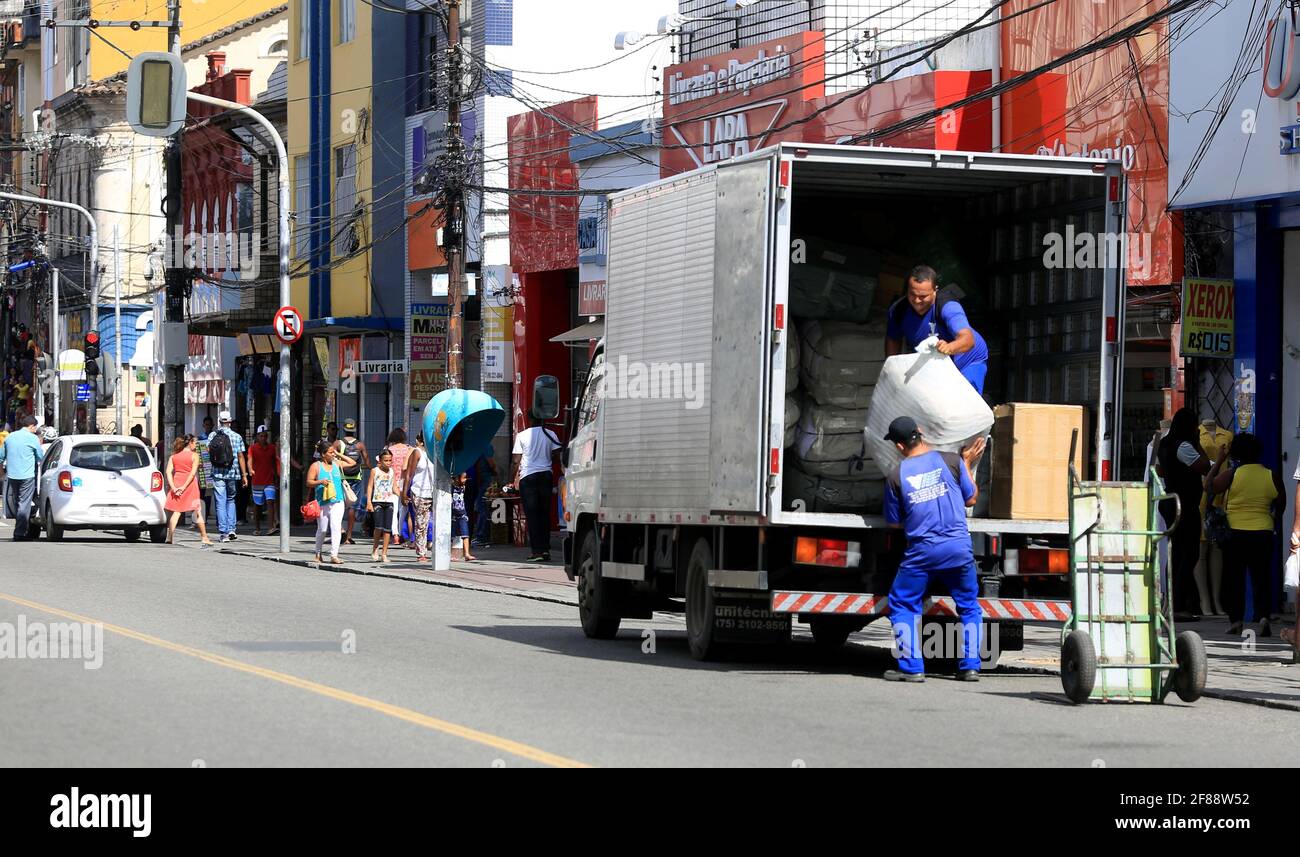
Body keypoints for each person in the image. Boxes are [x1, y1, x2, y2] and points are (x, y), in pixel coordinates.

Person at [881, 416, 986, 682]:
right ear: (920, 433)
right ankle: (970, 667)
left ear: (900, 447)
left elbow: (893, 523)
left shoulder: (897, 475)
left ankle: (912, 668)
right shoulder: (951, 461)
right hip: (959, 549)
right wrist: (967, 462)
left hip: (922, 554)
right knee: (969, 606)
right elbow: (971, 497)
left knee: (903, 603)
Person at [1206, 434, 1284, 636]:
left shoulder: (1232, 474)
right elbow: (1280, 504)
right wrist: (1270, 519)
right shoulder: (1271, 475)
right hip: (1263, 532)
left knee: (1234, 579)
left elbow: (1208, 486)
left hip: (1235, 533)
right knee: (1262, 577)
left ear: (1236, 453)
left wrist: (1220, 461)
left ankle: (1236, 621)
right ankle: (1264, 617)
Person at [885, 265, 990, 395]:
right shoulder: (898, 310)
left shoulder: (948, 306)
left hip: (968, 359)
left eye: (923, 296)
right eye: (912, 294)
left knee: (965, 402)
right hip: (932, 363)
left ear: (935, 290)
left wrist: (949, 347)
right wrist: (893, 371)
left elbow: (968, 340)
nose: (917, 301)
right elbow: (893, 339)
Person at [1155, 408, 1211, 622]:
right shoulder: (1184, 446)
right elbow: (1204, 467)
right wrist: (1198, 444)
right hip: (1185, 503)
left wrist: (1173, 471)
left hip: (1170, 501)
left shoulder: (1165, 443)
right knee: (1189, 554)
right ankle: (1178, 605)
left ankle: (1173, 602)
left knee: (1177, 554)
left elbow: (1159, 470)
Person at [511, 416, 562, 562]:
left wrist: (511, 480)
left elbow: (516, 461)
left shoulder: (522, 435)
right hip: (546, 476)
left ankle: (536, 551)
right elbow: (558, 455)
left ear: (529, 420)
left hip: (528, 477)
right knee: (544, 514)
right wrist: (548, 458)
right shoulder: (551, 434)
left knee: (532, 515)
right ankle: (545, 549)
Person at [306, 439, 355, 564]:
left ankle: (334, 555)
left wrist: (338, 454)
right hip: (323, 502)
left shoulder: (337, 463)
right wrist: (320, 482)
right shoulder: (316, 466)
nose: (333, 454)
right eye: (330, 452)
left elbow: (352, 462)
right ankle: (318, 553)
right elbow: (309, 482)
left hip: (338, 501)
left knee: (336, 527)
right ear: (323, 454)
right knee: (322, 529)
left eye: (333, 452)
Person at [0, 415, 44, 540]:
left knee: (17, 501)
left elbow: (1, 456)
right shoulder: (32, 438)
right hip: (27, 476)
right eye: (35, 427)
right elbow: (40, 456)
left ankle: (21, 528)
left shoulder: (10, 437)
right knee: (24, 503)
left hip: (12, 475)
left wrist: (2, 473)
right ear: (31, 426)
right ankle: (19, 532)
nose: (36, 429)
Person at [208, 411, 248, 543]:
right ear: (230, 422)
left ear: (219, 421)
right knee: (231, 499)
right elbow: (241, 456)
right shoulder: (237, 436)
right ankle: (231, 529)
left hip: (217, 472)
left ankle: (224, 533)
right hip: (232, 472)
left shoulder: (213, 435)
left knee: (220, 502)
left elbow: (208, 452)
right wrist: (244, 475)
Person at [164, 435, 212, 546]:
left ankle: (169, 537)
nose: (196, 445)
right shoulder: (194, 456)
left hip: (177, 482)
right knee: (197, 511)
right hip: (190, 485)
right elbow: (192, 473)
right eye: (195, 443)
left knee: (176, 512)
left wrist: (174, 487)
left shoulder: (174, 456)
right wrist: (184, 487)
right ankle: (204, 537)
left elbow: (168, 472)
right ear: (190, 443)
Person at [336, 418, 369, 546]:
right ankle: (349, 536)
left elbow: (332, 456)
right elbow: (367, 461)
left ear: (344, 429)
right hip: (356, 478)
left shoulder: (338, 443)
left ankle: (340, 531)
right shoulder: (360, 445)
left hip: (342, 477)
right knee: (352, 507)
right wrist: (367, 467)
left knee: (338, 505)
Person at [403, 434, 437, 562]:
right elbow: (409, 474)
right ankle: (421, 553)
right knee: (421, 523)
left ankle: (438, 549)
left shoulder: (437, 451)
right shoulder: (417, 453)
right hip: (419, 492)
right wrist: (404, 493)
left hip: (436, 492)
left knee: (438, 522)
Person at [366, 448, 401, 563]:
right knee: (378, 527)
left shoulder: (391, 472)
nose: (388, 463)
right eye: (386, 460)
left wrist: (402, 495)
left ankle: (384, 553)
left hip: (389, 501)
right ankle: (375, 548)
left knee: (387, 529)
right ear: (380, 461)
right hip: (377, 501)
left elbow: (394, 486)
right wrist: (369, 502)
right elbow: (370, 486)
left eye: (390, 460)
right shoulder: (374, 471)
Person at [248, 425, 280, 536]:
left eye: (265, 436)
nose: (263, 438)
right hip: (257, 480)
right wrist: (250, 469)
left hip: (269, 479)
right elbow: (249, 460)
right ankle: (257, 528)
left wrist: (276, 477)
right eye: (261, 436)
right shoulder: (252, 448)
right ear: (257, 436)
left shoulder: (272, 447)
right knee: (257, 505)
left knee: (270, 501)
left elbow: (274, 463)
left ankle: (270, 527)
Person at [384, 428, 412, 547]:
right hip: (405, 481)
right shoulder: (409, 449)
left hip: (392, 481)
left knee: (393, 509)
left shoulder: (389, 450)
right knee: (403, 510)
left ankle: (394, 534)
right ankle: (401, 534)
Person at [467, 452, 498, 549]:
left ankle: (481, 536)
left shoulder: (484, 446)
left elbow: (491, 463)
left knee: (480, 507)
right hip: (478, 480)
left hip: (482, 481)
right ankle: (478, 536)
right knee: (477, 507)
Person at [453, 471, 475, 561]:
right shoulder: (451, 487)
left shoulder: (463, 487)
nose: (465, 480)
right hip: (453, 513)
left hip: (462, 513)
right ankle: (450, 553)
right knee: (452, 534)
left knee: (465, 534)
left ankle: (466, 553)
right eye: (463, 478)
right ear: (457, 478)